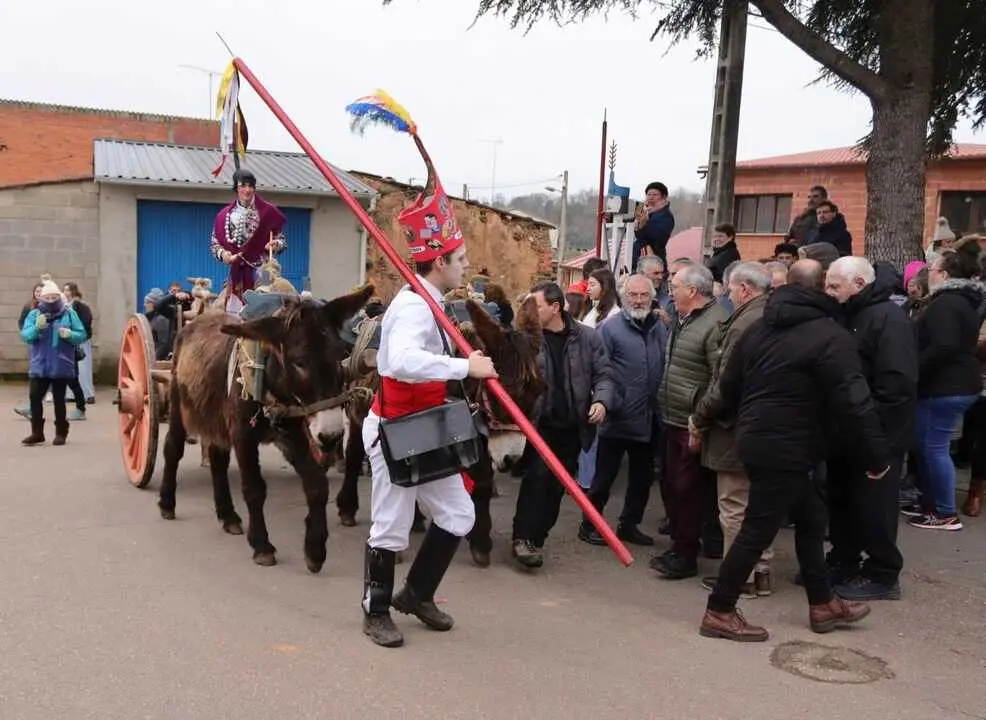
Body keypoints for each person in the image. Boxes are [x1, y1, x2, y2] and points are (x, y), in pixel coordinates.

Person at [693, 260, 890, 642]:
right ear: (820, 291)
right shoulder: (832, 336)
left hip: (762, 439)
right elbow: (855, 401)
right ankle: (719, 610)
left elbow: (728, 386)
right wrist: (877, 456)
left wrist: (706, 419)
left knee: (812, 518)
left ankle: (822, 603)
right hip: (786, 446)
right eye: (830, 287)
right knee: (757, 528)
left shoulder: (759, 328)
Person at [360, 165, 498, 649]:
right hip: (397, 430)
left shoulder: (433, 298)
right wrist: (467, 369)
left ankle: (416, 594)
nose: (465, 265)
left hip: (430, 427)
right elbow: (398, 360)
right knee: (391, 526)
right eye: (459, 258)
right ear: (438, 262)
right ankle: (375, 612)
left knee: (459, 514)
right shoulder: (417, 306)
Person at [824, 256, 917, 600]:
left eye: (835, 286)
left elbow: (897, 386)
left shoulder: (888, 320)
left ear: (859, 284)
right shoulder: (849, 314)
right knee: (842, 501)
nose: (828, 292)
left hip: (875, 435)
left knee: (874, 506)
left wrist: (877, 440)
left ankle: (882, 572)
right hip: (844, 430)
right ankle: (843, 559)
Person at [511, 280, 615, 568]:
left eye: (536, 305)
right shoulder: (526, 339)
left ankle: (537, 537)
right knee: (536, 480)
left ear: (556, 308)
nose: (529, 311)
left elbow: (604, 374)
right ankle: (522, 539)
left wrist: (601, 401)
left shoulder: (587, 338)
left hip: (572, 427)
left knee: (557, 487)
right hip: (538, 425)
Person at [690, 262, 773, 598]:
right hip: (764, 426)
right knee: (758, 505)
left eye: (727, 287)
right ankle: (761, 571)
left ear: (743, 289)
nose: (724, 294)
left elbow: (726, 384)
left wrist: (700, 417)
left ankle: (740, 576)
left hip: (735, 428)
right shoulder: (769, 317)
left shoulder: (744, 325)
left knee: (734, 506)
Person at [578, 274, 666, 546]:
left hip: (649, 417)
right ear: (623, 296)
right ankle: (589, 524)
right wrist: (607, 402)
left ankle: (629, 524)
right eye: (633, 295)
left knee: (641, 479)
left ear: (652, 297)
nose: (638, 300)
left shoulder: (659, 328)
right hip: (617, 416)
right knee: (604, 476)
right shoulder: (610, 328)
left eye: (643, 295)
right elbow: (598, 369)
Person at [905, 250, 986, 530]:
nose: (931, 272)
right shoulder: (960, 302)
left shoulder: (947, 304)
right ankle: (933, 505)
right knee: (932, 448)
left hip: (945, 387)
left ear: (946, 275)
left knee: (934, 449)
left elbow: (943, 345)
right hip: (955, 384)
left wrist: (912, 370)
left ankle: (943, 512)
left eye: (935, 269)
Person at [19, 278, 87, 446]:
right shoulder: (34, 314)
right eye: (47, 298)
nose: (50, 301)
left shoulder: (69, 313)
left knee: (59, 399)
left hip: (60, 363)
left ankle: (61, 432)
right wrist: (36, 328)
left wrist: (69, 334)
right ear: (41, 298)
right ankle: (37, 432)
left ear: (59, 297)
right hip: (40, 364)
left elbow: (82, 334)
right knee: (35, 396)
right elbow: (25, 336)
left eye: (53, 297)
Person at [211, 168, 287, 313]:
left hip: (262, 272)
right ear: (236, 188)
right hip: (236, 274)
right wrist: (223, 254)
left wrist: (276, 244)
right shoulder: (224, 216)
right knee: (224, 312)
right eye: (243, 185)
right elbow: (214, 244)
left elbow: (282, 240)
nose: (247, 190)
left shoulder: (266, 212)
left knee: (273, 310)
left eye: (251, 186)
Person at [62, 282, 94, 420]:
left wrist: (77, 334)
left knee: (83, 368)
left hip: (80, 340)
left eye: (68, 290)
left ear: (74, 292)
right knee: (72, 372)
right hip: (69, 341)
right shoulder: (64, 307)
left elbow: (86, 323)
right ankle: (71, 396)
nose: (66, 292)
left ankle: (88, 395)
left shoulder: (81, 307)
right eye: (64, 290)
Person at [13, 281, 43, 420]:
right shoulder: (29, 306)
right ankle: (33, 407)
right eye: (36, 291)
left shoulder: (51, 307)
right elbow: (22, 322)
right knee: (36, 374)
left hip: (47, 346)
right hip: (34, 343)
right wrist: (28, 333)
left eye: (41, 291)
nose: (38, 294)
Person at [631, 182, 675, 272]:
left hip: (652, 264)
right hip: (636, 260)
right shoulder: (643, 209)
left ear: (664, 197)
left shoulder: (666, 216)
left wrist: (643, 223)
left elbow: (655, 238)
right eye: (648, 194)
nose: (651, 197)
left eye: (655, 195)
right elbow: (631, 223)